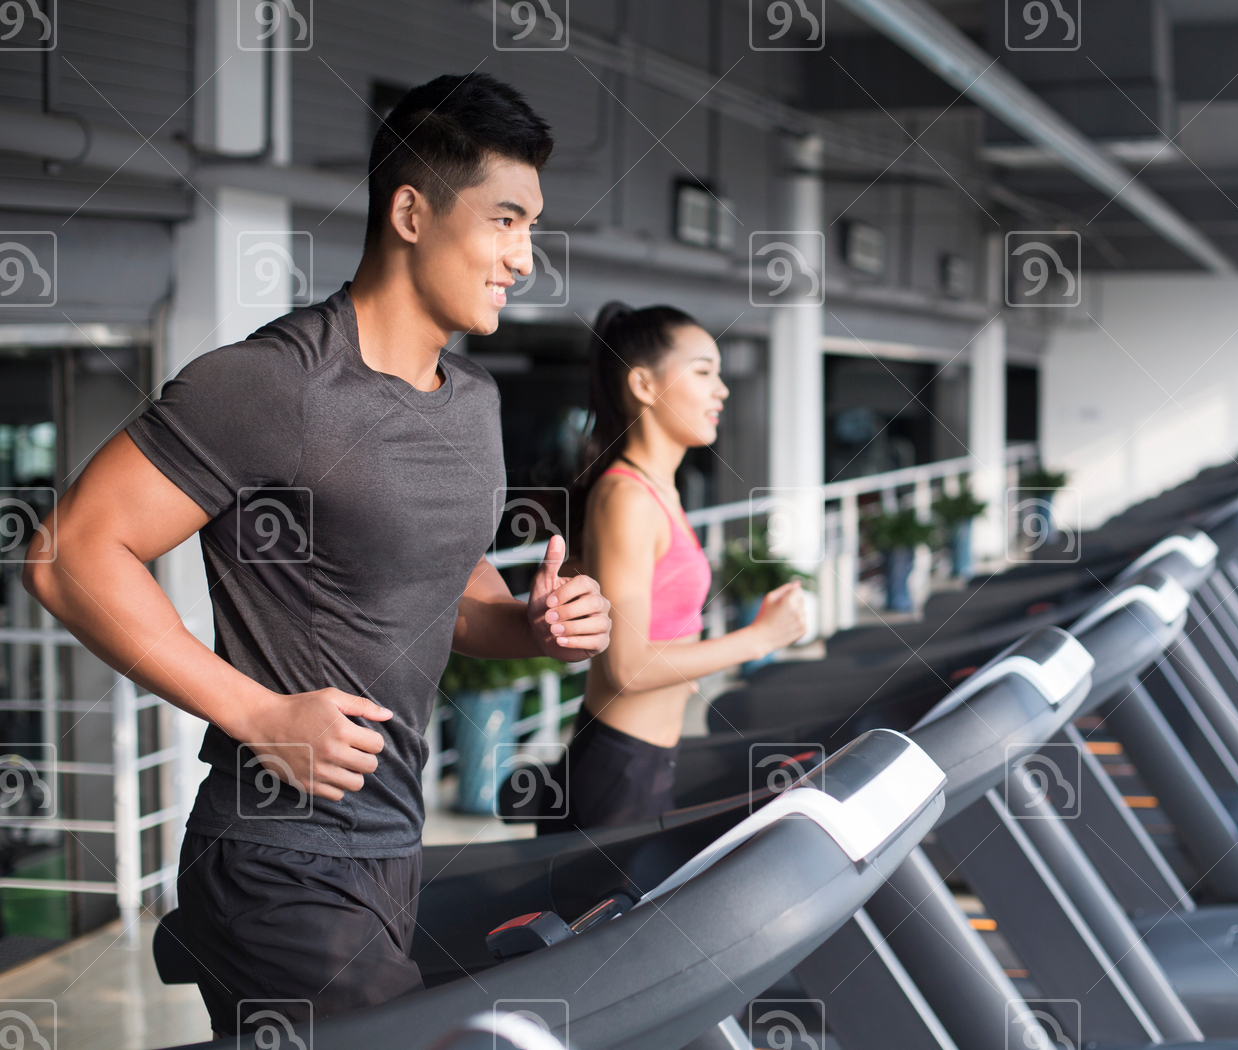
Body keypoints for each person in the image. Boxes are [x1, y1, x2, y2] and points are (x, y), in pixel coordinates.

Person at [22, 73, 611, 1035]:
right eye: (505, 221)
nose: (524, 258)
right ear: (411, 212)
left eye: (531, 228)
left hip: (389, 845)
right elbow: (69, 556)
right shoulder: (273, 385)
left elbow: (447, 598)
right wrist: (256, 711)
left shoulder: (472, 403)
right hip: (273, 857)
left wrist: (536, 626)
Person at [566, 302, 806, 829]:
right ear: (645, 386)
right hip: (618, 770)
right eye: (703, 373)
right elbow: (626, 666)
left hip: (646, 759)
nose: (721, 390)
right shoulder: (626, 498)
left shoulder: (659, 491)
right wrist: (759, 638)